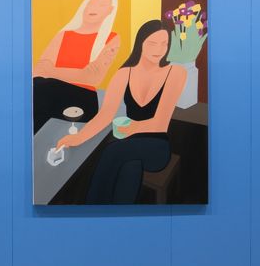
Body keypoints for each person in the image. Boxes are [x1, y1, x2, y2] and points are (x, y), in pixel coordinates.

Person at [55, 19, 188, 203]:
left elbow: (160, 124)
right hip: (128, 144)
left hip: (156, 146)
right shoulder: (124, 73)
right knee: (130, 167)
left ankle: (93, 208)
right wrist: (78, 137)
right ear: (141, 43)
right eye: (152, 43)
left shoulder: (176, 72)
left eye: (164, 44)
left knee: (112, 151)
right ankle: (119, 213)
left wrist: (133, 128)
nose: (159, 49)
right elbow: (105, 114)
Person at [32, 0, 119, 133]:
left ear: (110, 10)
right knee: (38, 87)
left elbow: (93, 77)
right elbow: (38, 70)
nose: (93, 8)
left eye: (101, 5)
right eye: (91, 3)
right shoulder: (63, 35)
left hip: (82, 97)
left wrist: (51, 71)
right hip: (48, 91)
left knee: (43, 88)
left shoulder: (111, 38)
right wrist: (77, 73)